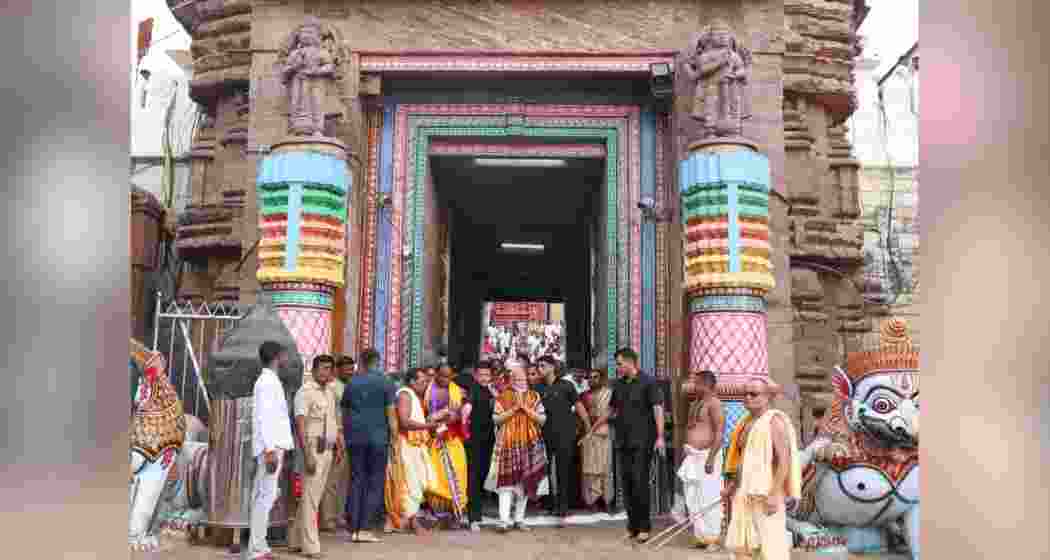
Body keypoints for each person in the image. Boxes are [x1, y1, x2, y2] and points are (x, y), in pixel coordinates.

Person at [722, 379, 802, 560]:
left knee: (771, 548)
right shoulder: (745, 423)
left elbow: (784, 461)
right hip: (745, 493)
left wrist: (774, 494)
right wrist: (732, 486)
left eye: (754, 394)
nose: (748, 398)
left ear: (767, 397)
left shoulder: (775, 422)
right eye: (746, 394)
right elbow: (744, 461)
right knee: (742, 548)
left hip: (766, 495)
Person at [591, 348, 664, 543]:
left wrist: (660, 436)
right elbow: (612, 410)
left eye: (620, 363)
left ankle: (644, 528)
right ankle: (632, 527)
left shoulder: (649, 382)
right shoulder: (619, 385)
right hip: (623, 441)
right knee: (628, 483)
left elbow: (657, 409)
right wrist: (594, 426)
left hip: (642, 441)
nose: (618, 367)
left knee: (640, 483)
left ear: (631, 362)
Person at [289, 355, 343, 558]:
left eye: (329, 369)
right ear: (313, 370)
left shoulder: (329, 392)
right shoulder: (305, 392)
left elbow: (333, 421)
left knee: (312, 498)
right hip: (312, 450)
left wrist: (339, 443)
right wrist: (308, 455)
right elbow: (301, 425)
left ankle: (295, 540)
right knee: (311, 499)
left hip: (327, 449)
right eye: (323, 368)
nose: (326, 372)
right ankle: (311, 547)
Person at [485, 363, 548, 532]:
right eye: (516, 378)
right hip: (508, 442)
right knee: (506, 484)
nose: (520, 381)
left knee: (525, 481)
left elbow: (542, 420)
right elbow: (496, 420)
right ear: (510, 380)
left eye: (522, 378)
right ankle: (504, 521)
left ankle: (519, 519)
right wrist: (514, 409)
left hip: (530, 442)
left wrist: (525, 409)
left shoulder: (534, 396)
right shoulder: (503, 396)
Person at [342, 348, 397, 543]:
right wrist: (395, 441)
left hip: (354, 438)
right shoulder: (386, 382)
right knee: (374, 482)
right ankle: (365, 528)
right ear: (378, 361)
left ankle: (353, 528)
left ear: (361, 361)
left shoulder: (351, 383)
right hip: (378, 439)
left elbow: (344, 413)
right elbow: (391, 415)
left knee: (356, 479)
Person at [250, 341, 295, 560]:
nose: (286, 359)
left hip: (275, 445)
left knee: (266, 497)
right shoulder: (267, 382)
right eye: (284, 355)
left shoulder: (270, 380)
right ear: (277, 357)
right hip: (271, 447)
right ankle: (256, 549)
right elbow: (264, 418)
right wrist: (269, 450)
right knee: (264, 497)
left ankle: (261, 546)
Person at [384, 368, 438, 535]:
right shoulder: (405, 395)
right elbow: (405, 422)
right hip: (405, 445)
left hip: (415, 446)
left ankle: (404, 521)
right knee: (408, 484)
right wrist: (428, 426)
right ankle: (412, 523)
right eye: (422, 382)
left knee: (416, 483)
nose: (425, 385)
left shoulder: (414, 396)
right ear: (412, 382)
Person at [537, 356, 590, 525]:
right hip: (544, 435)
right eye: (538, 366)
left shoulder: (566, 385)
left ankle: (563, 506)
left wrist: (588, 426)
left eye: (543, 365)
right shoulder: (538, 388)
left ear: (552, 367)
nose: (540, 369)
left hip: (565, 434)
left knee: (563, 470)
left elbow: (579, 406)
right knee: (545, 470)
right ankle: (549, 503)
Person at [676, 370, 725, 550]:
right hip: (693, 456)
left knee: (708, 496)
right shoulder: (695, 403)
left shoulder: (715, 404)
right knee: (693, 498)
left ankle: (713, 538)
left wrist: (711, 458)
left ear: (706, 384)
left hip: (707, 457)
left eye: (696, 383)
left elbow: (720, 433)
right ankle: (701, 536)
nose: (693, 387)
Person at [423, 364, 470, 527]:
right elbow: (423, 415)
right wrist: (435, 419)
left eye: (448, 377)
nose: (445, 379)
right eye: (442, 376)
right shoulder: (426, 390)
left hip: (452, 438)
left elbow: (461, 414)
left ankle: (455, 514)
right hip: (433, 439)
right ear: (436, 374)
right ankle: (438, 515)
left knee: (458, 471)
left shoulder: (458, 392)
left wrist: (448, 417)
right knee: (436, 476)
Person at [462, 361, 498, 531]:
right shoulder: (473, 390)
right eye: (481, 375)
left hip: (489, 440)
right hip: (474, 441)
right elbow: (467, 407)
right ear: (476, 375)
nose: (484, 378)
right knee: (474, 478)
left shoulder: (491, 391)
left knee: (483, 476)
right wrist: (464, 422)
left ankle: (477, 514)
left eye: (487, 375)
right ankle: (473, 517)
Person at [319, 355, 354, 532]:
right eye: (346, 369)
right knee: (332, 481)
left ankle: (338, 516)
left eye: (351, 369)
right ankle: (328, 519)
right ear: (337, 370)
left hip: (348, 437)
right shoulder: (333, 389)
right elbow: (332, 416)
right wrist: (338, 438)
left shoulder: (348, 387)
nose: (349, 372)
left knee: (343, 481)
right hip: (337, 436)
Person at [579, 368, 615, 513]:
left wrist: (598, 423)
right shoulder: (583, 396)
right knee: (589, 470)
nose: (592, 380)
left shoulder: (609, 394)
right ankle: (591, 501)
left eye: (595, 377)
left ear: (602, 379)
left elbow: (612, 412)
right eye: (589, 377)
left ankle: (607, 501)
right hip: (588, 436)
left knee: (605, 468)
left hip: (603, 434)